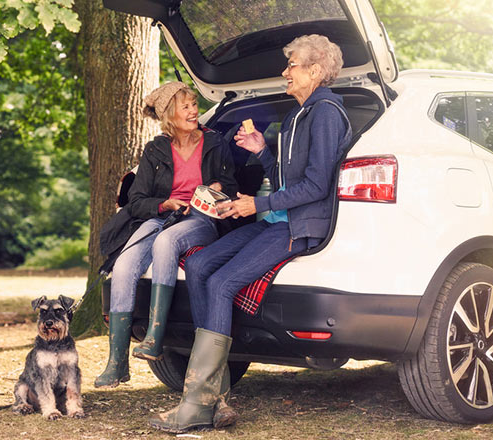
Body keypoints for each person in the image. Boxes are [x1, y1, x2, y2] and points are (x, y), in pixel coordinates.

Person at [149, 34, 352, 433]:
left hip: (299, 227)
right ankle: (217, 401)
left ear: (314, 71)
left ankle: (195, 405)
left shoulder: (326, 112)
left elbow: (316, 187)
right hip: (277, 219)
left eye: (292, 64)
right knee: (203, 263)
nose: (285, 71)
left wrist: (255, 205)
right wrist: (262, 151)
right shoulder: (298, 115)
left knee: (223, 283)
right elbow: (282, 180)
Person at [94, 81, 237, 388]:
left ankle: (154, 339)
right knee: (123, 267)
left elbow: (231, 183)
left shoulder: (215, 143)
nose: (194, 111)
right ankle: (116, 362)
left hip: (200, 217)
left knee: (167, 241)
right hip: (163, 214)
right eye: (185, 106)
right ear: (170, 114)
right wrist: (164, 204)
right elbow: (137, 200)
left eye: (194, 105)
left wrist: (219, 188)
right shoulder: (156, 149)